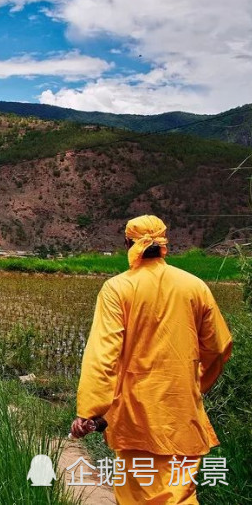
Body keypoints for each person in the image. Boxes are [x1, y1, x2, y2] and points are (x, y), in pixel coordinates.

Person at [71, 215, 233, 504]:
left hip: (136, 417)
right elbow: (219, 348)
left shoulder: (118, 289)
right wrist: (195, 385)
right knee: (179, 496)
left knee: (137, 494)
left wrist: (91, 409)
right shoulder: (195, 287)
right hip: (181, 414)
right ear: (164, 244)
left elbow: (103, 354)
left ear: (127, 243)